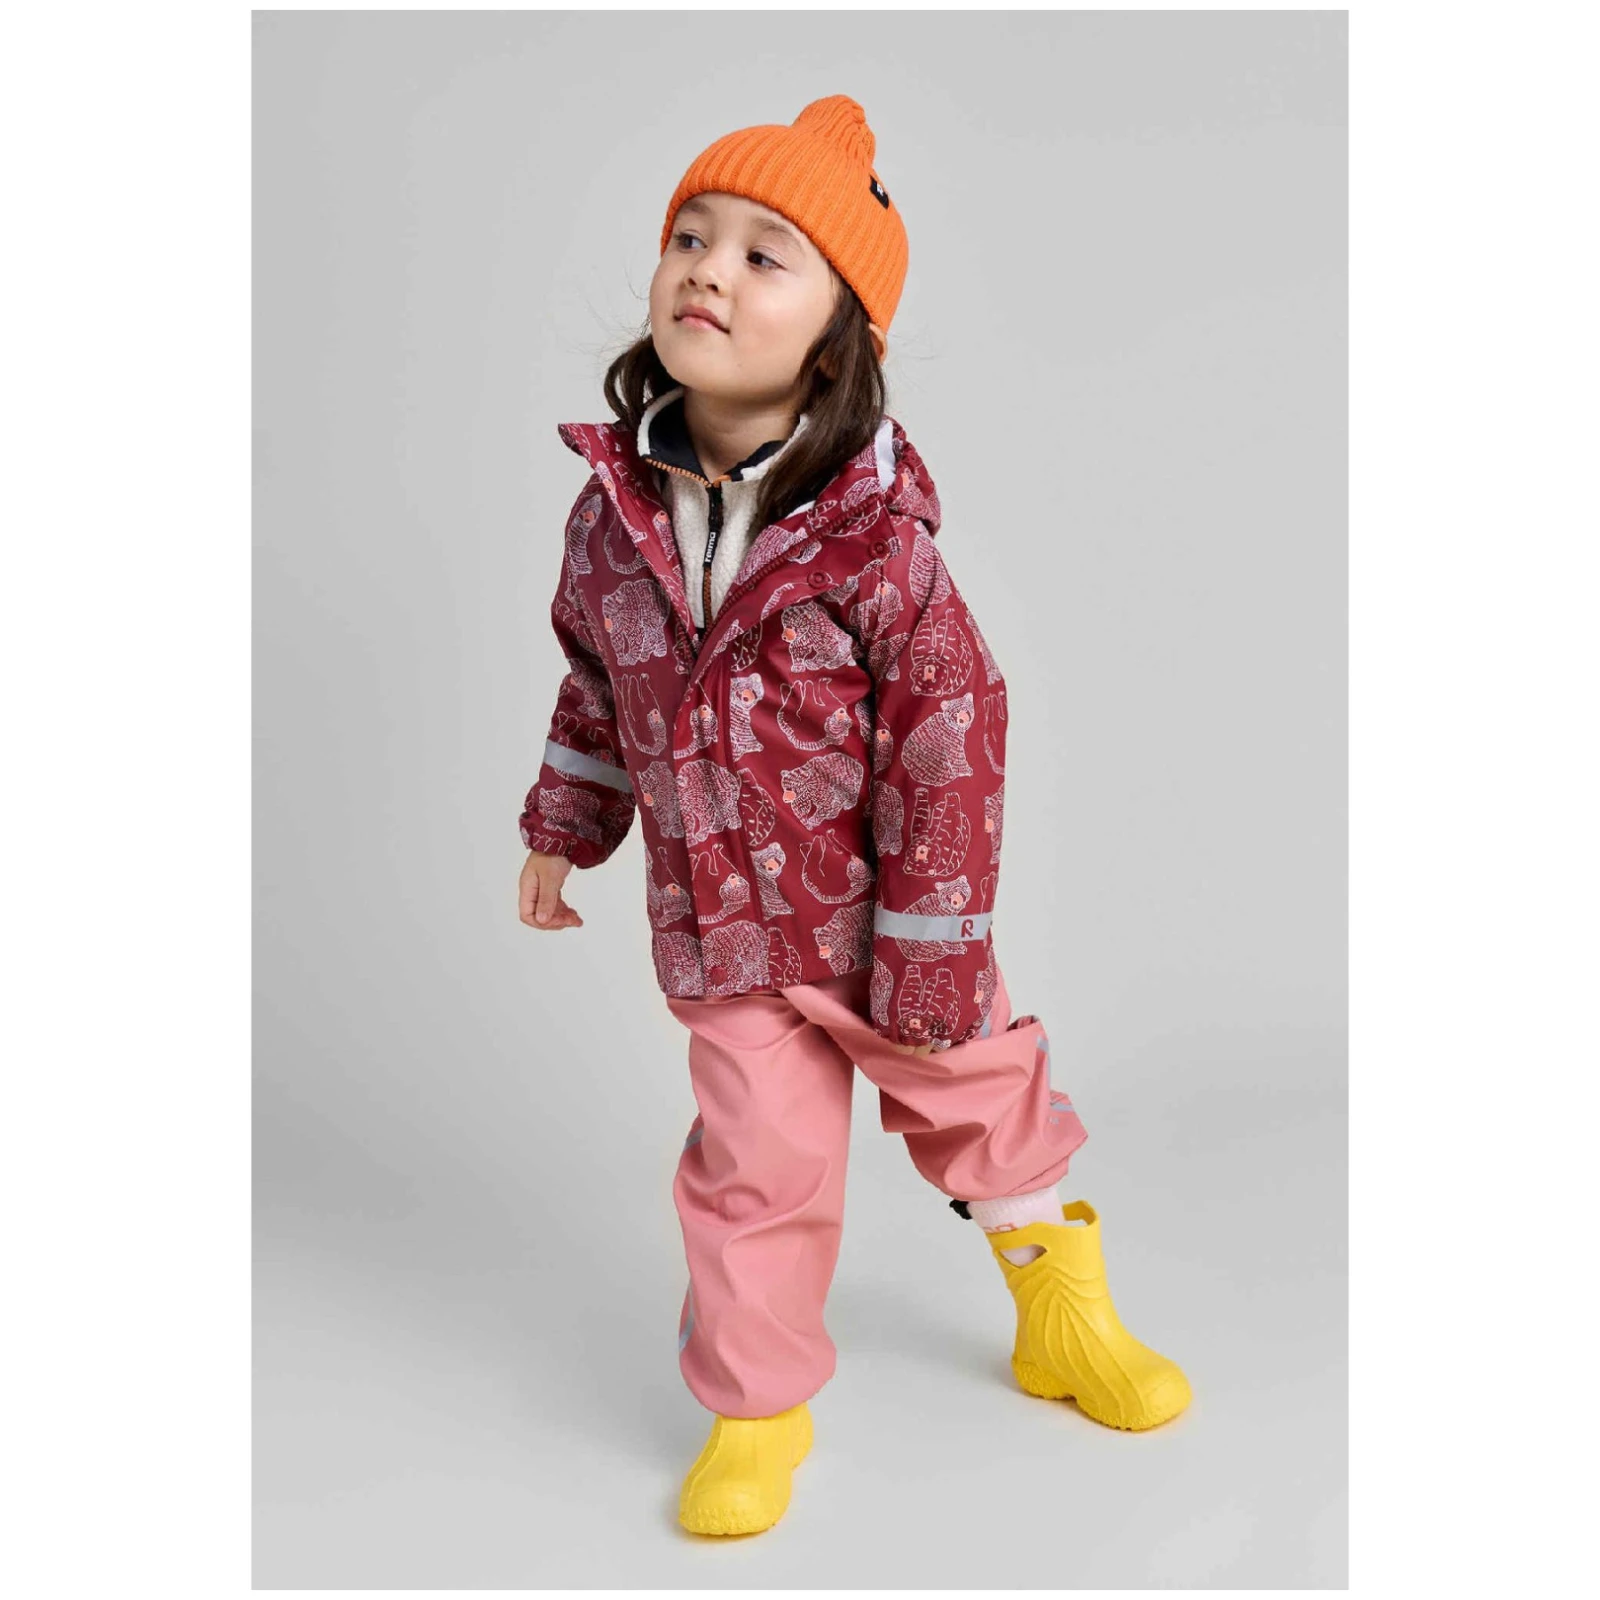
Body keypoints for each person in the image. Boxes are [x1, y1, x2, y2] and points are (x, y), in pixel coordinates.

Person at [517, 95, 1190, 1538]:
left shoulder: (876, 544)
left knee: (988, 1111)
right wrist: (567, 823)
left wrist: (935, 947)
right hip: (721, 933)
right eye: (691, 239)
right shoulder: (611, 521)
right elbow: (598, 681)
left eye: (764, 255)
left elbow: (953, 734)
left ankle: (1063, 1316)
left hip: (887, 922)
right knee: (754, 1169)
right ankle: (757, 1409)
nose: (709, 269)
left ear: (837, 338)